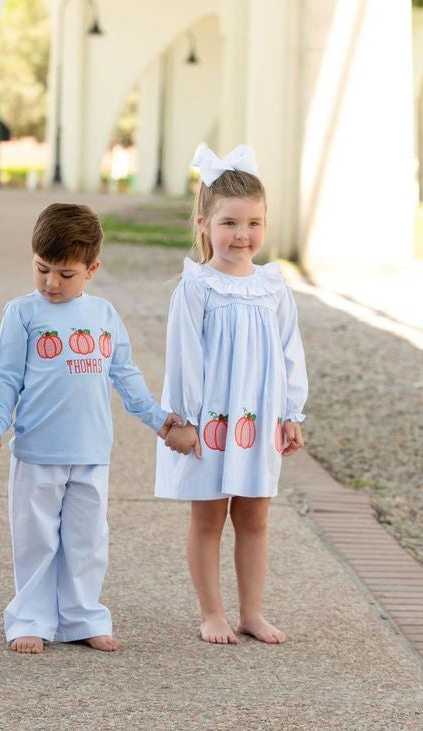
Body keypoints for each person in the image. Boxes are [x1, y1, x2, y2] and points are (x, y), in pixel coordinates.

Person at [0, 203, 181, 654]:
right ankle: (31, 618)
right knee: (36, 539)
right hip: (38, 450)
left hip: (93, 450)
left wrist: (159, 420)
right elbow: (5, 376)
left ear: (91, 269)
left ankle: (82, 615)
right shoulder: (21, 313)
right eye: (42, 270)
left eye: (65, 273)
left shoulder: (104, 314)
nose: (52, 283)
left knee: (86, 539)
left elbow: (125, 373)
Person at [156, 144, 307, 645]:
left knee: (255, 514)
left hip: (258, 415)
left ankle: (252, 612)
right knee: (208, 515)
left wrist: (291, 412)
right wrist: (185, 418)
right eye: (229, 223)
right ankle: (211, 612)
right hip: (211, 418)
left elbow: (290, 351)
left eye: (253, 224)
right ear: (203, 223)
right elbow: (184, 356)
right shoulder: (197, 286)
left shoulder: (272, 285)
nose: (242, 236)